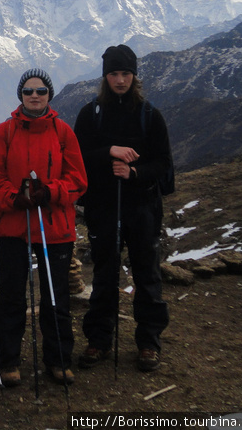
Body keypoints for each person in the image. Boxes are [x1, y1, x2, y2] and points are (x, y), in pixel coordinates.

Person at [0, 69, 87, 387]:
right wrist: (15, 199)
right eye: (28, 91)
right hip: (15, 226)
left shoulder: (63, 132)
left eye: (41, 90)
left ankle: (58, 360)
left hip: (54, 227)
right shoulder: (6, 132)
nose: (35, 95)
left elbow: (78, 180)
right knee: (12, 297)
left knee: (56, 298)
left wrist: (50, 192)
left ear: (49, 95)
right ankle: (9, 361)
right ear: (21, 96)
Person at [74, 44, 173, 373]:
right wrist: (109, 153)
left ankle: (148, 342)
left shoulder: (149, 115)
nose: (120, 80)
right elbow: (77, 157)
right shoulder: (91, 115)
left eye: (126, 74)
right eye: (114, 74)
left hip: (143, 206)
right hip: (104, 206)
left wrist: (134, 173)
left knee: (147, 275)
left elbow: (163, 163)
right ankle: (99, 339)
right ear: (105, 77)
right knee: (104, 274)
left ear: (134, 76)